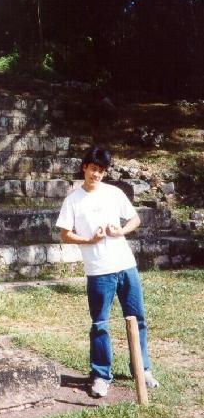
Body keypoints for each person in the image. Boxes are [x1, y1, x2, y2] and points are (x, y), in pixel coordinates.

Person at [56, 146, 159, 398]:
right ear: (84, 167)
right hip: (98, 271)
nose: (97, 175)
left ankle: (142, 369)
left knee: (138, 319)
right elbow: (65, 234)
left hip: (126, 266)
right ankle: (101, 375)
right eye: (93, 169)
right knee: (100, 324)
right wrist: (89, 240)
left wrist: (120, 231)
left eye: (101, 171)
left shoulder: (114, 193)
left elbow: (135, 219)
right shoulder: (73, 200)